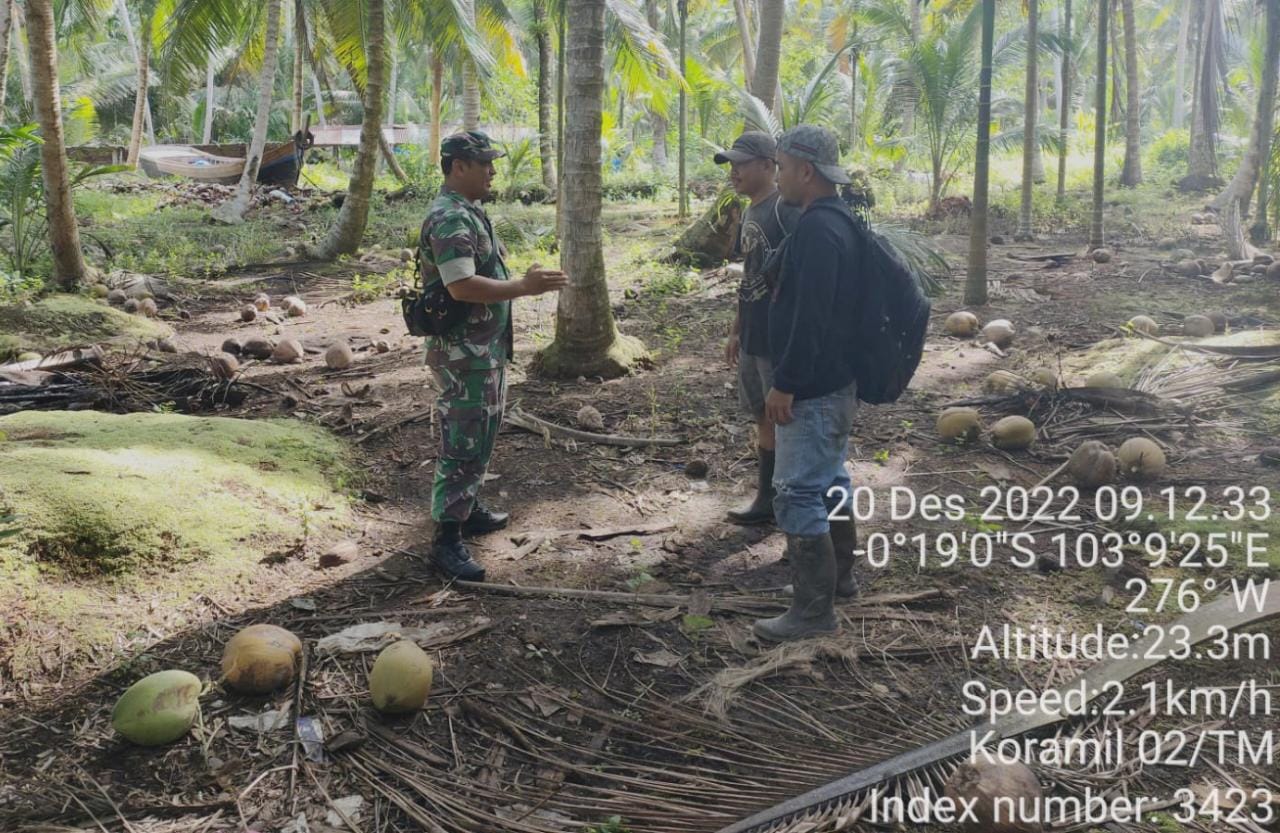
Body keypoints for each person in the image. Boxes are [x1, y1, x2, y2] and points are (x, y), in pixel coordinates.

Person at [419, 131, 569, 582]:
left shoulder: (469, 210)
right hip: (463, 355)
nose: (492, 171)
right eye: (483, 163)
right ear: (457, 166)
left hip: (482, 349)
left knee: (481, 433)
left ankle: (466, 508)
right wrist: (523, 287)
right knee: (461, 441)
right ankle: (446, 540)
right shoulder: (448, 217)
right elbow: (460, 286)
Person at [753, 125, 862, 642]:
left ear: (805, 170)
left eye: (781, 166)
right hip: (834, 383)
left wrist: (786, 383)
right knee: (830, 479)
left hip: (814, 388)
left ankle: (813, 610)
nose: (778, 175)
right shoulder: (837, 220)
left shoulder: (820, 229)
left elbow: (811, 317)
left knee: (796, 492)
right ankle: (841, 577)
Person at [714, 131, 800, 525]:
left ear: (769, 165)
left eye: (741, 164)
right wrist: (736, 329)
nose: (734, 173)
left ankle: (790, 500)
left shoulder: (785, 209)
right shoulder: (749, 211)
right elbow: (748, 278)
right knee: (761, 416)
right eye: (731, 166)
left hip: (777, 337)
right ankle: (766, 499)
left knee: (784, 418)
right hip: (752, 332)